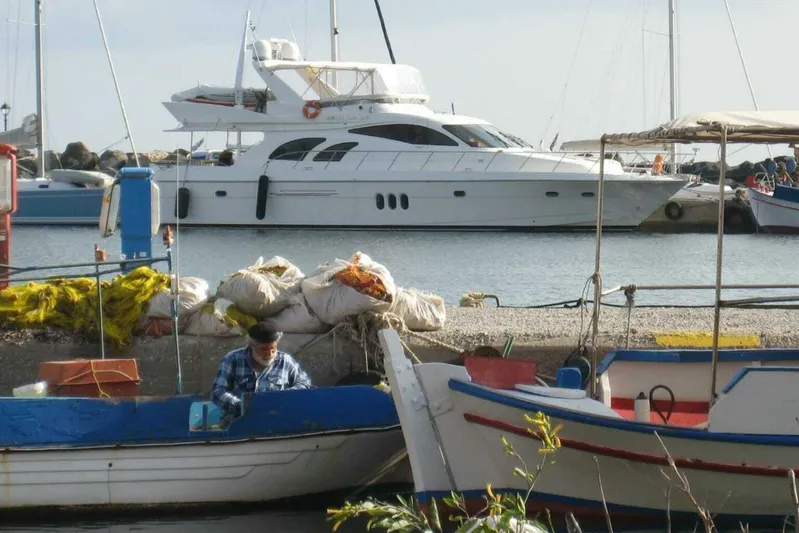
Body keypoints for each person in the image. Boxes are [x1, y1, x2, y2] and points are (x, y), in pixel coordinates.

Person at [211, 322, 312, 417]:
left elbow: (304, 382)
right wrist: (242, 406)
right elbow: (218, 392)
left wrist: (287, 396)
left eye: (273, 349)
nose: (269, 354)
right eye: (263, 349)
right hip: (238, 421)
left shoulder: (285, 361)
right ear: (252, 346)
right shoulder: (233, 359)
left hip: (277, 420)